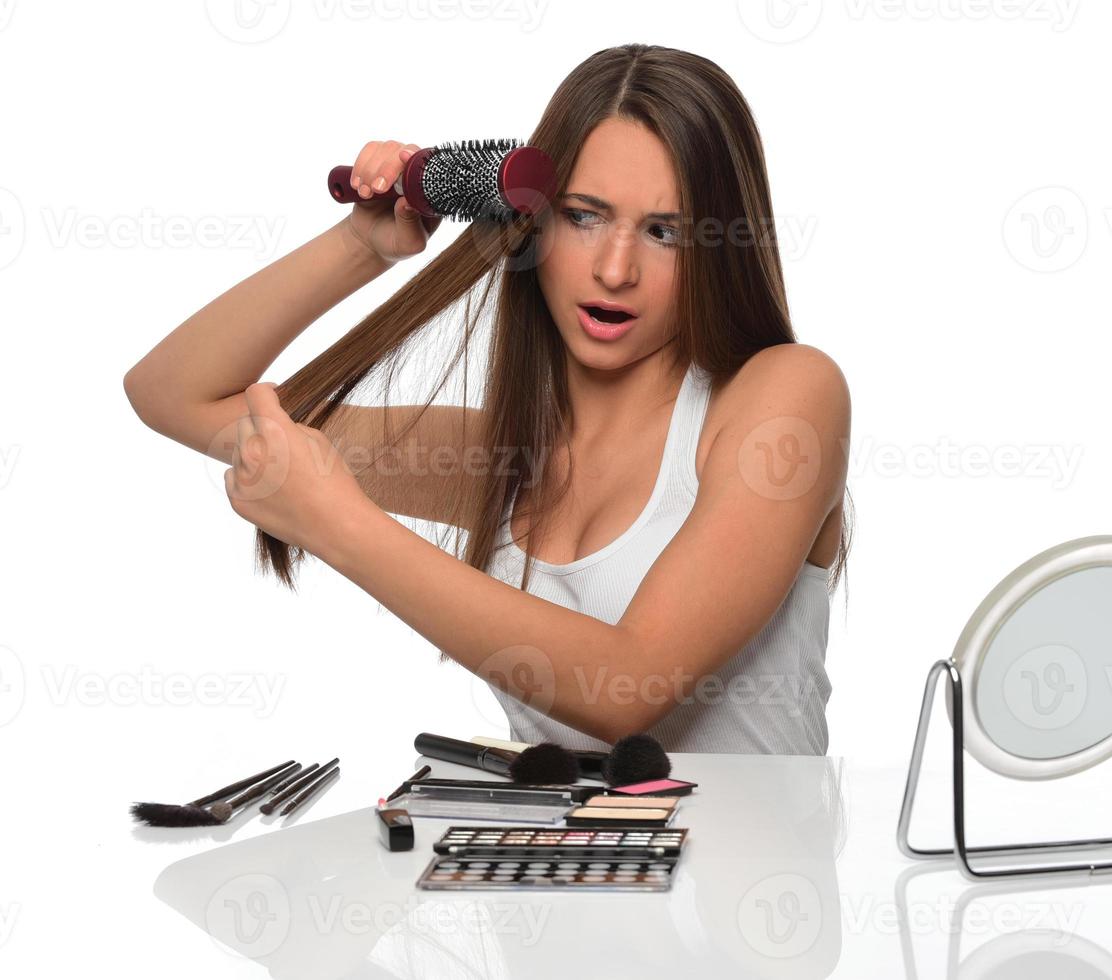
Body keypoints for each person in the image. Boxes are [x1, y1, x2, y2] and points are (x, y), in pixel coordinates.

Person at [124, 43, 852, 754]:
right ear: (533, 225)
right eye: (583, 215)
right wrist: (360, 246)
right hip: (563, 874)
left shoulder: (786, 398)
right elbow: (175, 396)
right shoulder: (495, 460)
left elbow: (629, 688)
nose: (615, 268)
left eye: (664, 231)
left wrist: (336, 521)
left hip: (760, 879)